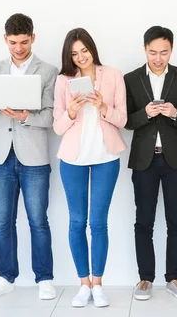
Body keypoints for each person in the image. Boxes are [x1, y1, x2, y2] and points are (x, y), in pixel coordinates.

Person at [0, 13, 58, 300]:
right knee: (2, 222)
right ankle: (6, 277)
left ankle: (44, 278)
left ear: (33, 37)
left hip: (33, 156)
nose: (18, 48)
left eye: (23, 42)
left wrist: (24, 116)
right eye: (12, 43)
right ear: (4, 39)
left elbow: (49, 116)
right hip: (1, 156)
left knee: (38, 220)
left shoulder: (48, 71)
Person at [53, 28, 127, 308]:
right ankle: (83, 284)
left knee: (98, 222)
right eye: (74, 54)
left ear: (92, 49)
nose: (81, 57)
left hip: (106, 156)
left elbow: (122, 118)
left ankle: (98, 284)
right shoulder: (64, 81)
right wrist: (72, 111)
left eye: (84, 50)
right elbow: (58, 126)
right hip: (73, 158)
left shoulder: (113, 75)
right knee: (76, 222)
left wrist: (103, 106)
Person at [124, 26, 177, 301]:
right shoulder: (130, 79)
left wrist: (175, 113)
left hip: (175, 160)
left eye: (163, 52)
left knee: (175, 221)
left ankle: (174, 278)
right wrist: (144, 113)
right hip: (144, 160)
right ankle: (145, 279)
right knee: (143, 221)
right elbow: (126, 121)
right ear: (145, 50)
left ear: (171, 50)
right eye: (153, 52)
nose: (158, 58)